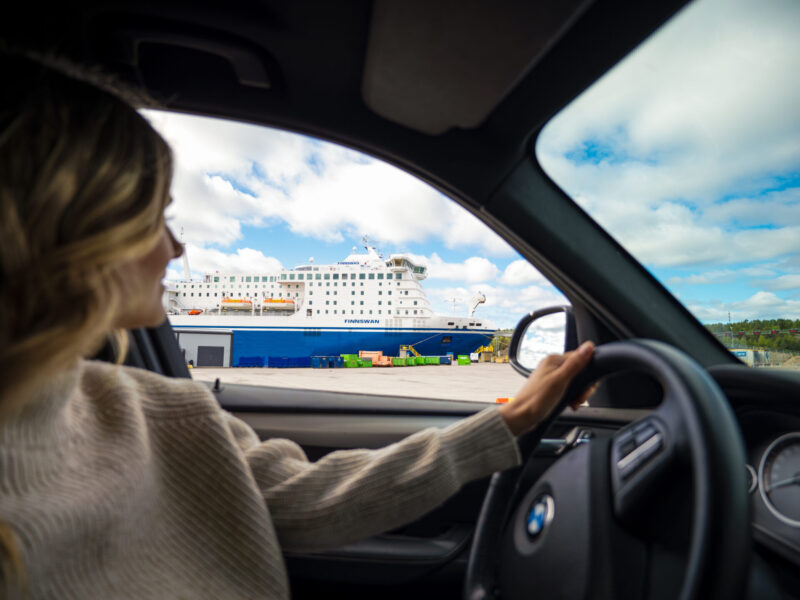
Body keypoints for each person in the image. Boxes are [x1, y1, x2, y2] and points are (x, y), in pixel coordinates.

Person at [0, 50, 595, 599]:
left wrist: (513, 419)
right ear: (73, 231)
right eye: (154, 219)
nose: (177, 249)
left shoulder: (163, 412)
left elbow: (313, 499)